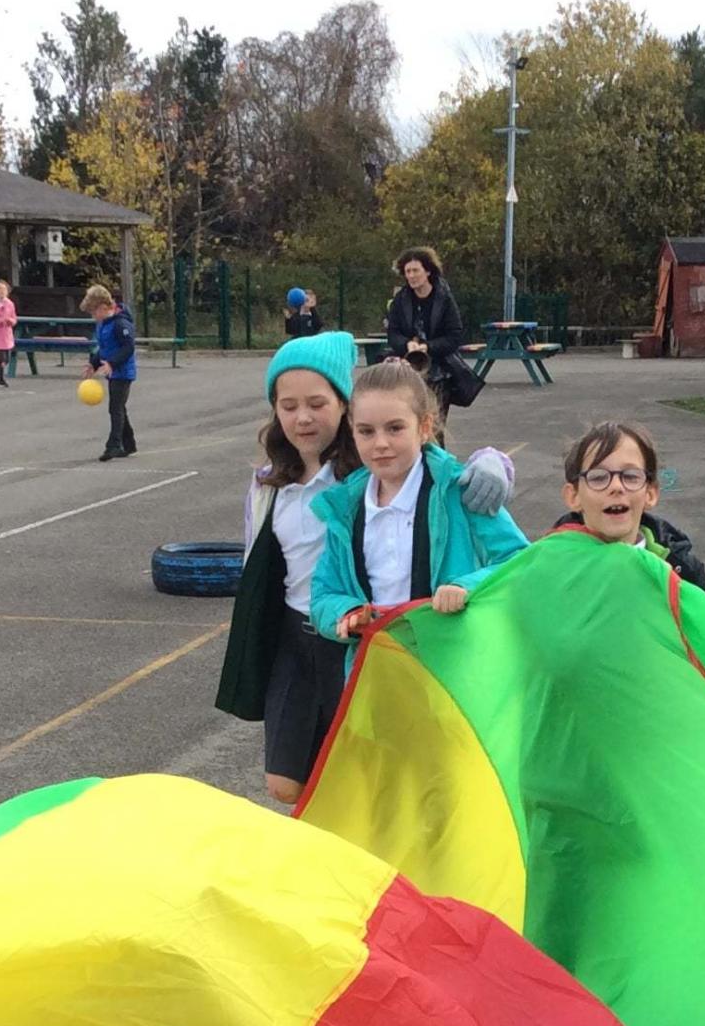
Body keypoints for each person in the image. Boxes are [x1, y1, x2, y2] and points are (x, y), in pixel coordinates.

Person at [216, 333, 516, 803]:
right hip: (314, 629)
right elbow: (304, 577)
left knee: (389, 781)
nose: (303, 416)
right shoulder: (278, 485)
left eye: (317, 402)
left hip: (386, 644)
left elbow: (508, 545)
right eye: (288, 405)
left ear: (341, 406)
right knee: (291, 782)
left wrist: (495, 463)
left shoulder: (361, 476)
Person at [308, 357, 527, 648]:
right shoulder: (345, 508)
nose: (381, 443)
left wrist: (468, 588)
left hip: (451, 670)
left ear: (424, 427)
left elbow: (520, 563)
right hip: (378, 669)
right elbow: (324, 593)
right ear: (352, 430)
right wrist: (345, 612)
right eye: (366, 431)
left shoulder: (459, 491)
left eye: (395, 428)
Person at [548, 422, 705, 596]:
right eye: (598, 478)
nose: (616, 486)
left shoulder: (682, 570)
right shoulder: (549, 569)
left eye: (631, 476)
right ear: (574, 496)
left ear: (650, 493)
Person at [383, 248, 469, 425]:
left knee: (435, 426)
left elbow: (455, 335)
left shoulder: (444, 298)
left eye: (416, 270)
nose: (412, 275)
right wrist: (407, 344)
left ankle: (436, 453)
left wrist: (429, 347)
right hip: (408, 369)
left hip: (439, 372)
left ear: (428, 271)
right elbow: (393, 333)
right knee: (409, 423)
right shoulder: (401, 299)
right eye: (408, 271)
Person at [82, 283, 137, 460]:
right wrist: (94, 363)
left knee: (115, 408)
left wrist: (112, 364)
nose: (93, 316)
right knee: (119, 407)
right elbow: (104, 349)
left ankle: (113, 446)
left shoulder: (121, 323)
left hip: (123, 372)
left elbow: (128, 347)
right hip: (111, 370)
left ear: (104, 307)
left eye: (94, 312)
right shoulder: (103, 324)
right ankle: (129, 444)